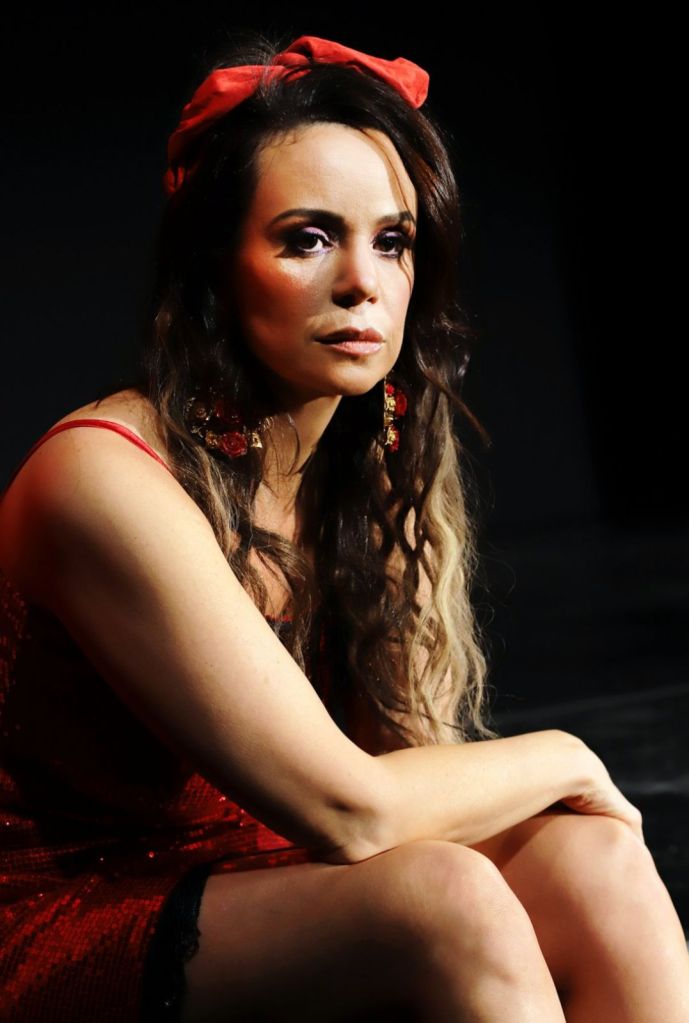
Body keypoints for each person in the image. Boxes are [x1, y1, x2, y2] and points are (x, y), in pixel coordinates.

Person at [0, 31, 687, 1023]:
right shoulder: (101, 478)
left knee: (595, 862)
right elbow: (352, 808)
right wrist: (570, 755)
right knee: (446, 901)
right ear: (214, 265)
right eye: (307, 238)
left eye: (392, 241)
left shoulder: (363, 466)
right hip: (66, 921)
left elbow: (407, 776)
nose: (362, 280)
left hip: (260, 878)